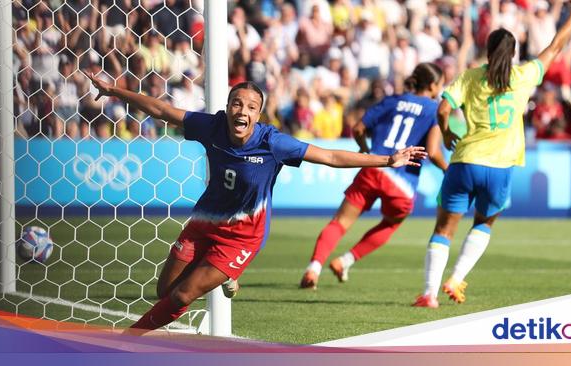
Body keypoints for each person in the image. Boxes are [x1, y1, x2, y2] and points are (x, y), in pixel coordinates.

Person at [87, 76, 427, 333]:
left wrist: (386, 159)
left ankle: (124, 341)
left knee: (181, 297)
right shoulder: (212, 126)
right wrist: (116, 92)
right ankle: (222, 277)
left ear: (258, 114)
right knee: (164, 291)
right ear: (227, 106)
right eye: (237, 103)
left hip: (241, 238)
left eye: (250, 107)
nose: (242, 111)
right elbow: (162, 110)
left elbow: (331, 156)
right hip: (203, 224)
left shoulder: (273, 143)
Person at [413, 0, 571, 308]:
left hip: (465, 161)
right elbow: (556, 46)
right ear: (514, 53)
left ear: (488, 47)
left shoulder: (470, 77)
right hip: (500, 166)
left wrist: (447, 130)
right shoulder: (523, 77)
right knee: (483, 224)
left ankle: (428, 295)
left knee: (444, 229)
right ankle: (456, 278)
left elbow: (443, 108)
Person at [300, 63, 448, 290]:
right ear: (432, 85)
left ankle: (314, 268)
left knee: (340, 222)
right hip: (403, 181)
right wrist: (448, 170)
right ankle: (345, 261)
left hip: (374, 167)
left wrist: (364, 149)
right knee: (390, 224)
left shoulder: (392, 100)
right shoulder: (433, 109)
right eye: (440, 83)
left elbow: (358, 128)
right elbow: (434, 150)